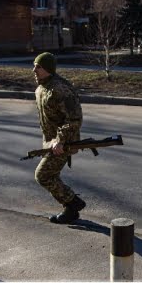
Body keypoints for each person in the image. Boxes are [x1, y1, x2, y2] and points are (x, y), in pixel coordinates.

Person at [32, 52, 86, 224]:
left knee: (43, 176)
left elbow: (74, 119)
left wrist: (61, 140)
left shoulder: (60, 89)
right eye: (34, 65)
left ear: (48, 69)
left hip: (64, 142)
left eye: (38, 67)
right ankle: (71, 207)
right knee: (50, 175)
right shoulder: (41, 88)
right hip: (51, 142)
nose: (34, 70)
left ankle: (73, 204)